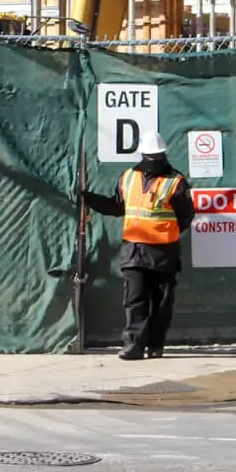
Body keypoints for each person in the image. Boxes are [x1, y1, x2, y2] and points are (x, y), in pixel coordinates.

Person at [82, 131, 195, 361]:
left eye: (156, 155)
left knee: (160, 302)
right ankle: (133, 344)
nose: (154, 160)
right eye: (152, 155)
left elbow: (186, 216)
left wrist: (165, 233)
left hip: (164, 250)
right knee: (136, 298)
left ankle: (155, 345)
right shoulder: (128, 178)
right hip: (136, 248)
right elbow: (117, 206)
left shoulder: (176, 182)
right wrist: (90, 199)